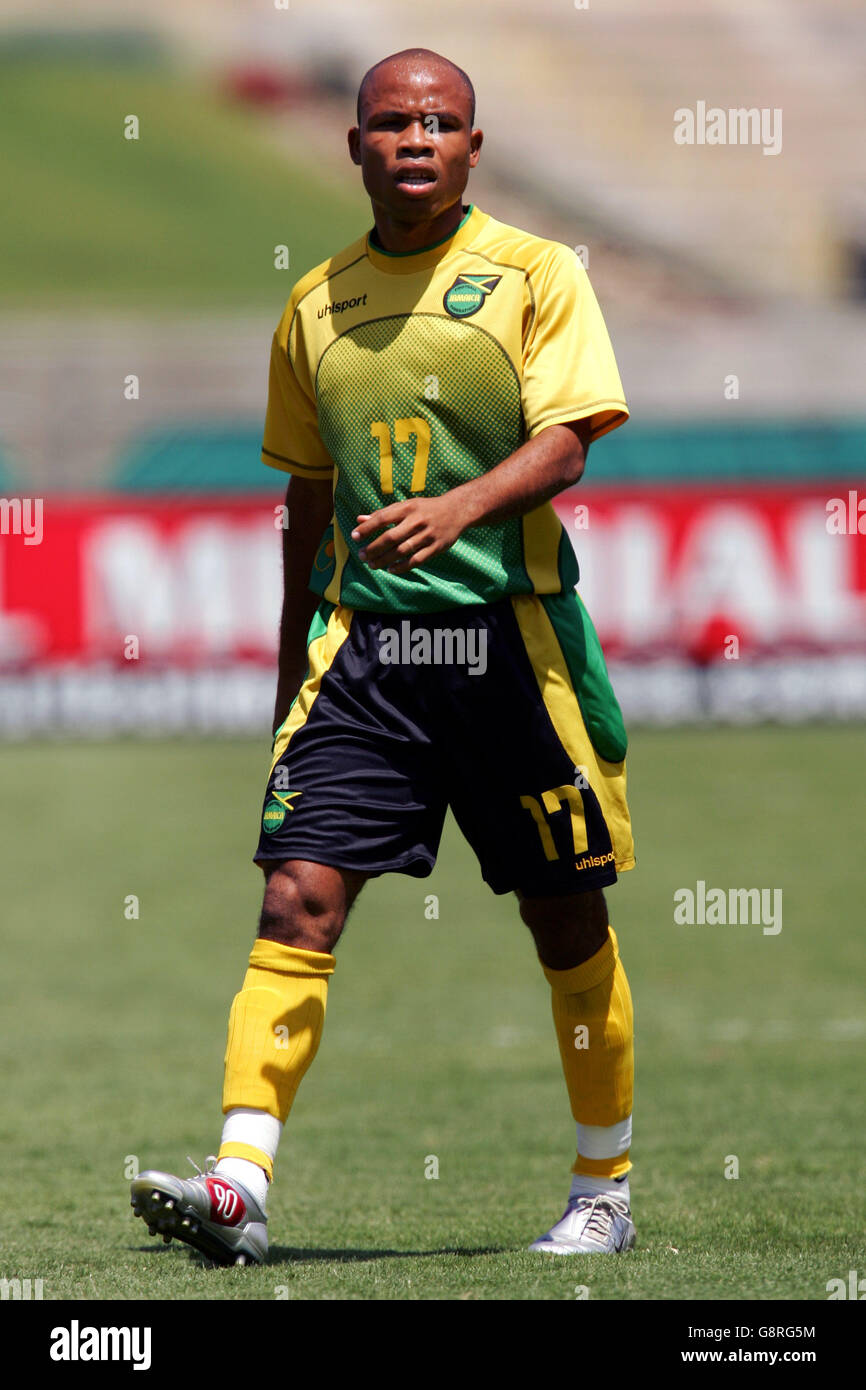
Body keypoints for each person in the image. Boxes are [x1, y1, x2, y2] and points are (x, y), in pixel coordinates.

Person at [131, 46, 636, 1266]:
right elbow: (306, 510)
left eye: (441, 122)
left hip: (509, 646)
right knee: (295, 899)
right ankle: (238, 1184)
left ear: (473, 147)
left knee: (565, 923)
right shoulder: (313, 304)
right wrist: (281, 667)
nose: (417, 139)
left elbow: (566, 446)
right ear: (352, 144)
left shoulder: (533, 275)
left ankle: (601, 1190)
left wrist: (458, 511)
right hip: (365, 659)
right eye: (393, 122)